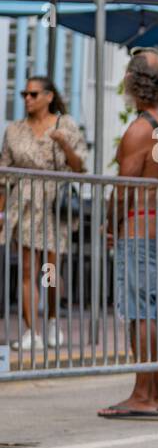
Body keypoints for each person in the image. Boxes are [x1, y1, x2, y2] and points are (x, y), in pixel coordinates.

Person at [100, 47, 158, 419]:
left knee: (141, 310)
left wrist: (110, 224)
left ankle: (143, 394)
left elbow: (123, 189)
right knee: (154, 308)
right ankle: (155, 391)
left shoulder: (138, 130)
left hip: (138, 223)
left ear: (131, 82)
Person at [0, 76, 88, 351]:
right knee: (27, 268)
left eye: (33, 94)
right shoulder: (14, 130)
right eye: (25, 93)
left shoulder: (66, 125)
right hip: (23, 204)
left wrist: (64, 144)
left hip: (52, 205)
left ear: (49, 96)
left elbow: (79, 167)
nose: (27, 98)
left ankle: (52, 320)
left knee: (49, 270)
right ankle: (30, 330)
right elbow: (3, 174)